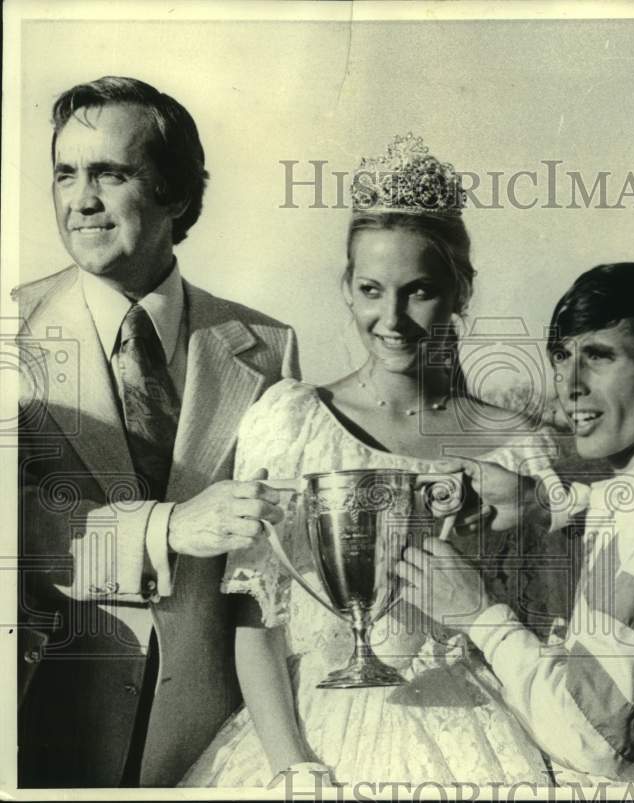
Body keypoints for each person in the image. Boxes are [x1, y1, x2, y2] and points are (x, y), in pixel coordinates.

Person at [181, 135, 559, 787]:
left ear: (460, 290)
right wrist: (292, 764)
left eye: (420, 291)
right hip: (306, 731)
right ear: (347, 290)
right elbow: (257, 621)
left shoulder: (515, 443)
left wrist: (525, 511)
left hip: (471, 733)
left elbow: (541, 630)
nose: (393, 318)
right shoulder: (292, 419)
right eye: (371, 289)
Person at [16, 76, 299, 787]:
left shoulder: (269, 346)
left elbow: (275, 574)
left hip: (214, 752)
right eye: (65, 173)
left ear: (176, 193)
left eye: (110, 173)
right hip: (45, 739)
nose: (80, 200)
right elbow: (14, 531)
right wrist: (166, 527)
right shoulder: (9, 331)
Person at [399, 263, 634, 784]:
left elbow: (597, 734)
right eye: (561, 356)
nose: (569, 385)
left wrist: (479, 616)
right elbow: (628, 512)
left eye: (599, 356)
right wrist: (538, 501)